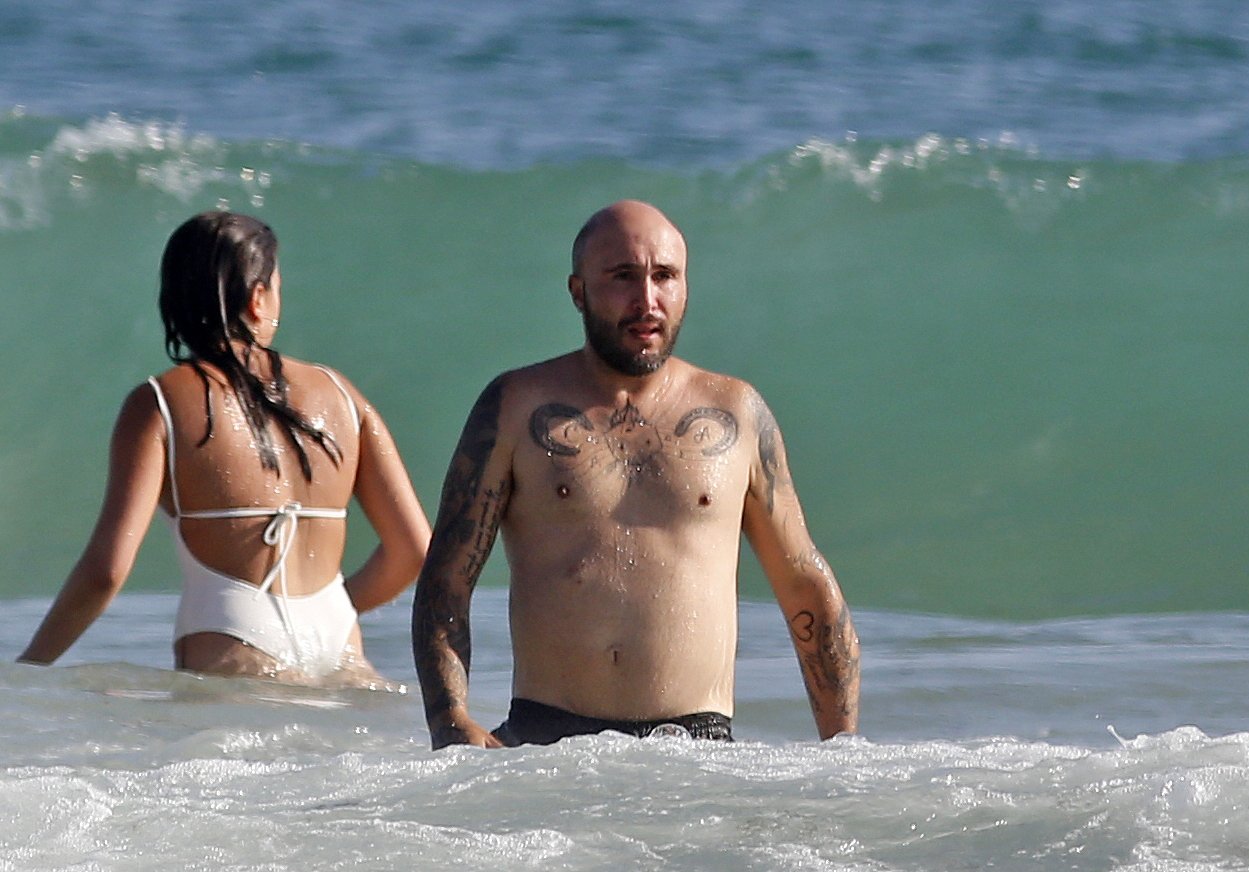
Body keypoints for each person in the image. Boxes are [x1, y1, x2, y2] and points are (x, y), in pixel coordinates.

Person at [412, 199, 859, 746]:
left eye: (664, 277)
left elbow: (803, 582)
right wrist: (449, 722)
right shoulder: (515, 406)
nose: (647, 299)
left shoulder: (738, 413)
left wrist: (842, 748)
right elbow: (446, 581)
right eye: (623, 276)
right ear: (578, 292)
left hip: (698, 750)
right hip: (546, 742)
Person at [19, 212, 430, 686]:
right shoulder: (342, 396)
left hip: (232, 647)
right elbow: (415, 548)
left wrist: (27, 673)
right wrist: (329, 611)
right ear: (258, 299)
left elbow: (107, 571)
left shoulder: (159, 403)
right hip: (339, 645)